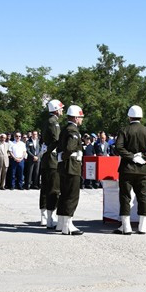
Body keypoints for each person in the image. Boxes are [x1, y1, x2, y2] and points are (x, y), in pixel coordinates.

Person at [113, 106, 146, 235]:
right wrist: (144, 157)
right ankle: (142, 227)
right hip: (142, 169)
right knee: (142, 197)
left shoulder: (125, 130)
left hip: (127, 168)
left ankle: (126, 227)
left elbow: (118, 147)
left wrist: (131, 156)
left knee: (125, 197)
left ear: (129, 117)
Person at [56, 105, 86, 235]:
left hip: (65, 166)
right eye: (80, 117)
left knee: (64, 194)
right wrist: (64, 156)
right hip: (72, 166)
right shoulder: (73, 131)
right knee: (72, 195)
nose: (81, 119)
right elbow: (70, 148)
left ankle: (61, 223)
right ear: (75, 117)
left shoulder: (65, 129)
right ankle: (68, 225)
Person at [39, 99, 64, 228]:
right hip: (52, 159)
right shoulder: (53, 122)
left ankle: (45, 216)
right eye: (60, 109)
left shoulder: (46, 121)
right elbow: (56, 140)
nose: (62, 111)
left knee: (45, 188)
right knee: (53, 189)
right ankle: (50, 217)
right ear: (55, 109)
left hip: (46, 159)